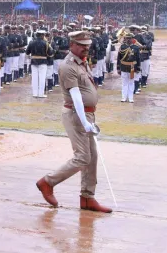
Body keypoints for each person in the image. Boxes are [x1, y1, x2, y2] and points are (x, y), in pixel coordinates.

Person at [36, 30, 112, 213]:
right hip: (76, 115)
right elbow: (76, 96)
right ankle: (47, 182)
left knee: (92, 157)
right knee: (83, 157)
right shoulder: (68, 66)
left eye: (87, 45)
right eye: (81, 45)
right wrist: (86, 122)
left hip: (87, 115)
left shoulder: (82, 63)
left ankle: (87, 197)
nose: (86, 48)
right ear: (72, 45)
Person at [117, 32, 140, 103]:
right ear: (125, 39)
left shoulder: (136, 47)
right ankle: (124, 97)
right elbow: (119, 58)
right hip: (124, 67)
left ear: (132, 39)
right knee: (124, 83)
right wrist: (118, 68)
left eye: (130, 38)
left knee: (131, 83)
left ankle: (130, 98)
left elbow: (138, 58)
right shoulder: (122, 47)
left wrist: (138, 68)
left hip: (132, 67)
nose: (128, 40)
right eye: (127, 38)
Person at [27, 30, 50, 98]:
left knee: (34, 78)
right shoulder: (46, 43)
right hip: (43, 62)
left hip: (34, 61)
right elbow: (50, 53)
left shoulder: (31, 42)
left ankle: (35, 93)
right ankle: (41, 94)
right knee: (42, 78)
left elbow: (27, 52)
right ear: (42, 35)